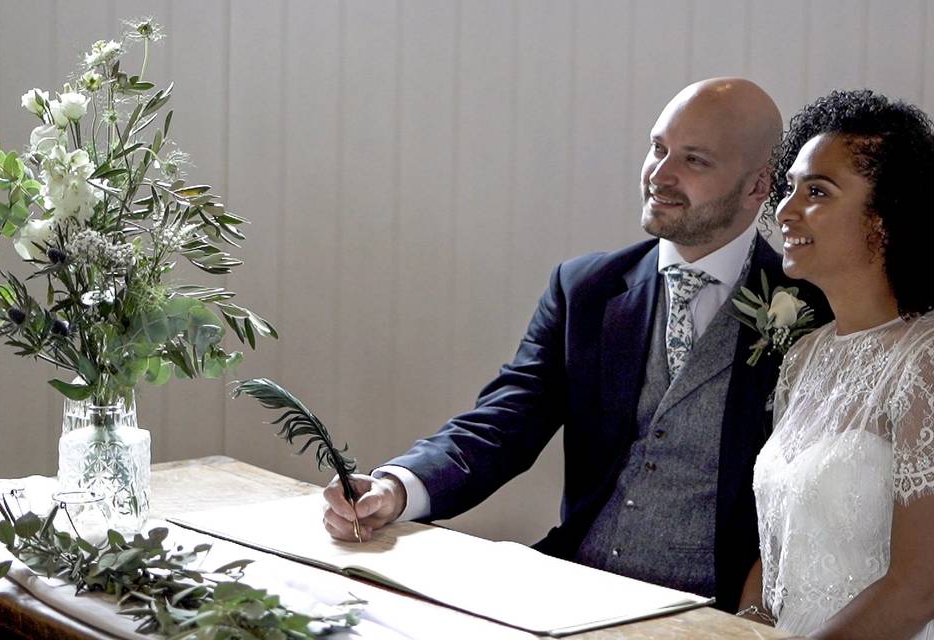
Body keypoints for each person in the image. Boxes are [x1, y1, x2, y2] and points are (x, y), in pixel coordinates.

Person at [324, 77, 826, 611]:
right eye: (658, 149)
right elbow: (504, 423)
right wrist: (399, 487)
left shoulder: (814, 309)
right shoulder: (586, 289)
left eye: (695, 161)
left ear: (757, 188)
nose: (661, 174)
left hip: (717, 611)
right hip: (573, 590)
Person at [739, 89, 934, 638]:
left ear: (884, 219)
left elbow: (920, 586)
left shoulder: (924, 361)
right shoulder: (804, 356)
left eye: (818, 191)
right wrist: (747, 622)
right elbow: (779, 543)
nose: (784, 209)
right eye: (790, 188)